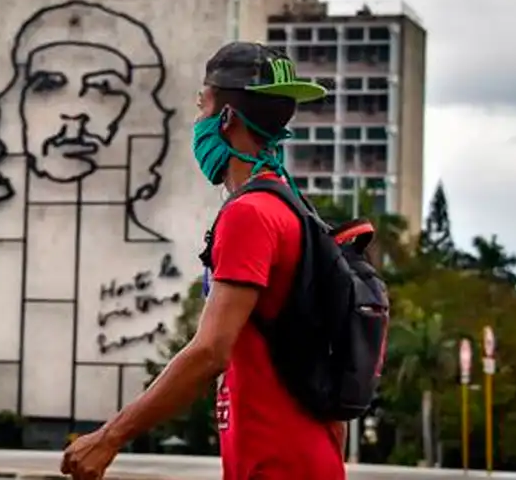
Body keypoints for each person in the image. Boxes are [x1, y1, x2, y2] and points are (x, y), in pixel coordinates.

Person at [60, 42, 346, 479]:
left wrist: (110, 437)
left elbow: (210, 351)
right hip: (300, 458)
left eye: (201, 107)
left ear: (227, 119)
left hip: (276, 465)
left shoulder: (250, 215)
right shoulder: (294, 209)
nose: (198, 123)